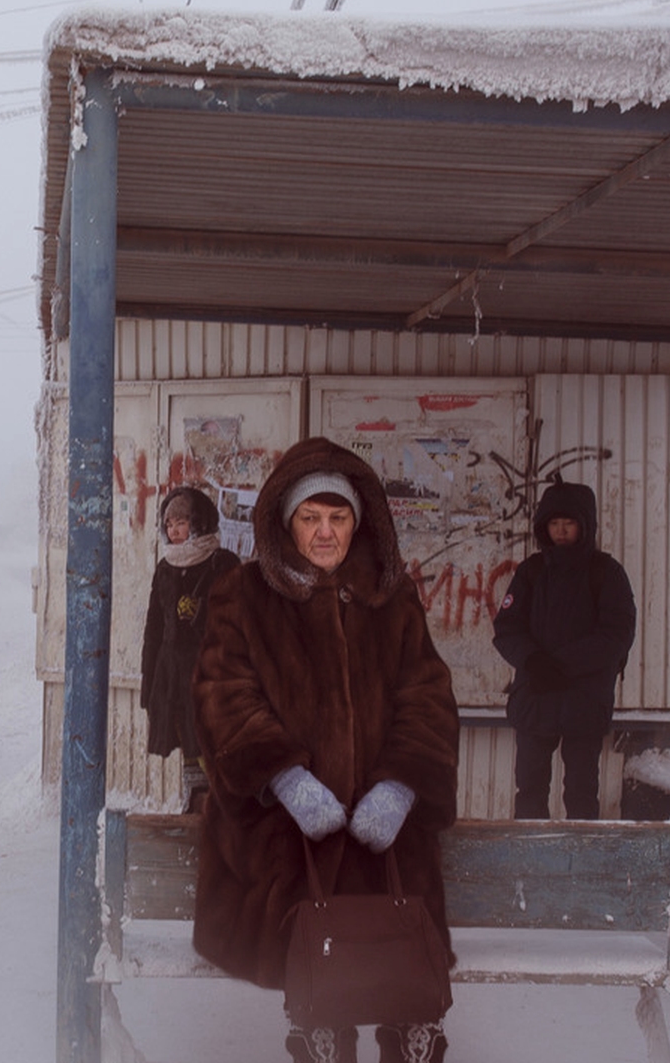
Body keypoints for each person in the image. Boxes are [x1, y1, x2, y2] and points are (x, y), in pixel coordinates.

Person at [191, 437, 461, 1063]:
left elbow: (428, 696)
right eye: (310, 518)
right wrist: (286, 779)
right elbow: (221, 694)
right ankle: (320, 1023)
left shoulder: (390, 597)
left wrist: (399, 786)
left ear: (358, 522)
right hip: (282, 830)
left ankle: (407, 1023)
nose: (324, 532)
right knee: (311, 925)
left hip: (382, 830)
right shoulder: (242, 596)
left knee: (395, 906)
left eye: (337, 518)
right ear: (286, 523)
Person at [491, 481, 636, 820]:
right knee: (529, 787)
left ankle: (582, 864)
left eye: (568, 524)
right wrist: (533, 662)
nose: (560, 531)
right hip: (536, 695)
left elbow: (616, 634)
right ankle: (527, 860)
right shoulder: (532, 571)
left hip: (584, 699)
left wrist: (560, 665)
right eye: (554, 524)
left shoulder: (607, 573)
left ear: (584, 526)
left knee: (582, 792)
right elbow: (507, 627)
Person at [139, 486, 242, 809]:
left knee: (213, 746)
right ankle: (195, 806)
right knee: (187, 744)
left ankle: (221, 807)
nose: (174, 530)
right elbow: (153, 629)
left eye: (181, 523)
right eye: (169, 524)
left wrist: (201, 617)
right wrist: (148, 684)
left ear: (198, 523)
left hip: (212, 675)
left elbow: (239, 623)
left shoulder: (223, 563)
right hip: (171, 676)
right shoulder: (165, 568)